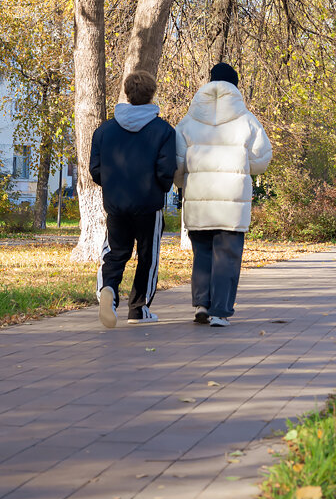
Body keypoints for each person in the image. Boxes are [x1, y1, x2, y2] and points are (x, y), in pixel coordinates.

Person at [175, 62, 272, 327]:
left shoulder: (189, 120)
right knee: (227, 256)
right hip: (232, 203)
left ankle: (202, 304)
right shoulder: (247, 120)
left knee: (202, 254)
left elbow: (177, 163)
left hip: (199, 202)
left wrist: (187, 181)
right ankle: (220, 311)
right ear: (235, 86)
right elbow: (261, 160)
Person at [90, 70, 177, 328]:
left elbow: (95, 169)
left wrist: (114, 186)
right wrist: (160, 188)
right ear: (152, 94)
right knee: (147, 256)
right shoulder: (163, 130)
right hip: (149, 205)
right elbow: (165, 170)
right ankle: (139, 309)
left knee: (116, 252)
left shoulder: (105, 130)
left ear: (127, 93)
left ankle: (109, 290)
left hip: (116, 204)